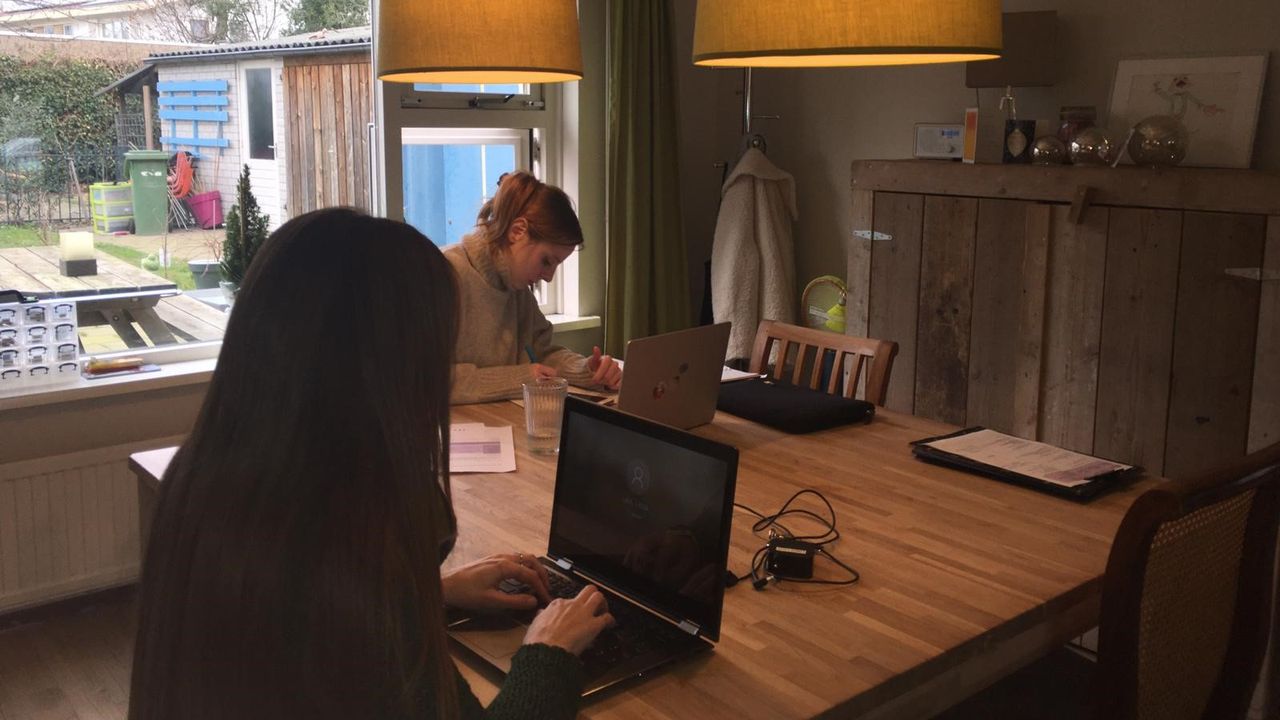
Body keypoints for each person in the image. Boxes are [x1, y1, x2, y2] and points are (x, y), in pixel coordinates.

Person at [129, 208, 613, 720]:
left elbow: (312, 622)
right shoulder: (339, 549)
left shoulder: (213, 491)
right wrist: (547, 654)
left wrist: (428, 594)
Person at [446, 171, 622, 404]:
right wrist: (519, 378)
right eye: (546, 261)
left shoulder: (517, 288)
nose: (549, 277)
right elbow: (424, 379)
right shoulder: (445, 274)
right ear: (517, 231)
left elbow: (541, 353)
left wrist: (587, 370)